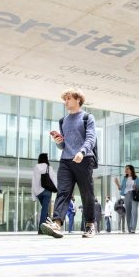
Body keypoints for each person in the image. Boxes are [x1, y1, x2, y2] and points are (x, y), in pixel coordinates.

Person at [39, 89, 98, 239]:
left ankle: (90, 225)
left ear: (78, 100)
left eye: (68, 98)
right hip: (66, 160)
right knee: (63, 192)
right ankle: (57, 224)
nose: (65, 102)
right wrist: (58, 142)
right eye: (64, 99)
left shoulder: (87, 117)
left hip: (84, 159)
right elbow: (63, 145)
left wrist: (82, 152)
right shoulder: (63, 121)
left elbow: (91, 138)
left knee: (87, 193)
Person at [31, 153, 57, 233]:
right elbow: (54, 179)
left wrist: (33, 195)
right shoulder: (49, 167)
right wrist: (58, 189)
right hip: (47, 191)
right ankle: (41, 229)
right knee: (44, 210)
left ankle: (46, 226)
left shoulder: (36, 167)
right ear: (46, 159)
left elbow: (34, 181)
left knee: (44, 210)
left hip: (38, 192)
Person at [114, 165, 139, 233]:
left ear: (131, 170)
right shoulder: (125, 178)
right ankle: (129, 228)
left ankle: (133, 228)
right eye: (125, 169)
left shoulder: (136, 178)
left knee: (134, 211)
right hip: (127, 195)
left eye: (127, 169)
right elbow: (121, 188)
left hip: (134, 195)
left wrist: (136, 187)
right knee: (128, 212)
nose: (125, 170)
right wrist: (117, 183)